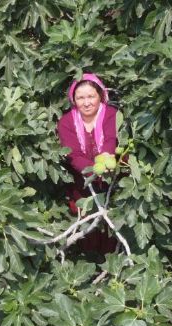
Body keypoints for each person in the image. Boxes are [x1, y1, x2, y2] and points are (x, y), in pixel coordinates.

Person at [56, 73, 119, 254]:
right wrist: (92, 170)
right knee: (87, 221)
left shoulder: (111, 115)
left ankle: (112, 260)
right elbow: (72, 153)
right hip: (82, 183)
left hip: (111, 178)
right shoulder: (66, 122)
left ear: (101, 96)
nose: (86, 102)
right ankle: (91, 260)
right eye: (80, 98)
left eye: (91, 96)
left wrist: (106, 163)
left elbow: (110, 140)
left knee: (112, 222)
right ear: (73, 100)